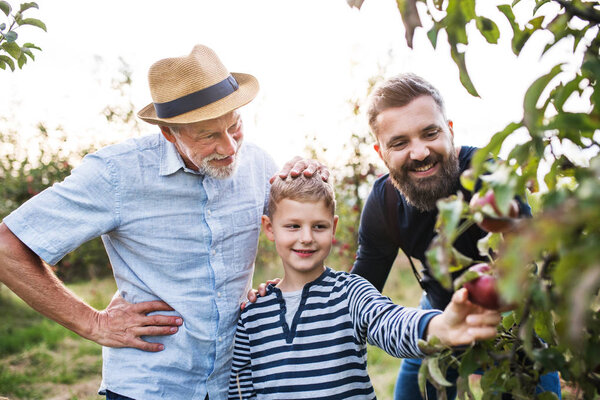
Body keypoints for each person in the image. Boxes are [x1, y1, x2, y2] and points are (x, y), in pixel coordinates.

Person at [0, 44, 326, 400]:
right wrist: (91, 322)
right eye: (208, 136)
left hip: (235, 384)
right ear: (170, 134)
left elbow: (300, 230)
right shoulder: (116, 174)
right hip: (150, 385)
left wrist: (310, 177)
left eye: (235, 127)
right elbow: (7, 246)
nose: (230, 147)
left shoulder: (259, 165)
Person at [350, 73, 562, 399]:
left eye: (430, 133)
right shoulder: (384, 202)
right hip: (438, 320)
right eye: (400, 142)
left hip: (510, 328)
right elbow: (359, 292)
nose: (419, 152)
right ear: (381, 153)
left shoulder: (489, 177)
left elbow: (524, 272)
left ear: (449, 131)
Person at [228, 173, 502, 399]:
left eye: (319, 226)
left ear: (334, 228)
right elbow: (240, 388)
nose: (307, 237)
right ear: (269, 228)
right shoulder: (253, 314)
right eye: (293, 226)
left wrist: (438, 328)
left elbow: (389, 321)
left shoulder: (350, 293)